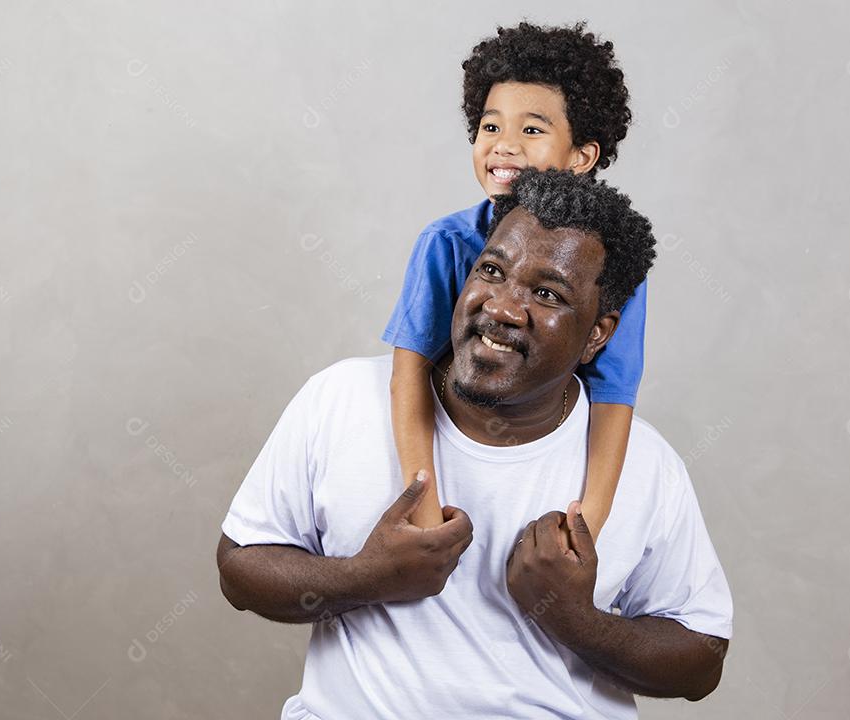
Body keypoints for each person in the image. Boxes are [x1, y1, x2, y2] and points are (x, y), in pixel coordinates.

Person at [217, 169, 733, 719]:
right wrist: (367, 576)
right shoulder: (342, 398)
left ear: (598, 334)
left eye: (546, 293)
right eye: (491, 270)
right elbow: (238, 569)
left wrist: (577, 619)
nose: (502, 308)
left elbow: (701, 664)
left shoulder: (648, 465)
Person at [383, 21, 644, 540]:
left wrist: (586, 524)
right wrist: (425, 510)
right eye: (490, 127)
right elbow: (409, 374)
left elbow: (614, 396)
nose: (503, 147)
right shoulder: (446, 242)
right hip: (453, 453)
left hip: (536, 472)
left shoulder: (609, 268)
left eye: (531, 130)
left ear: (581, 157)